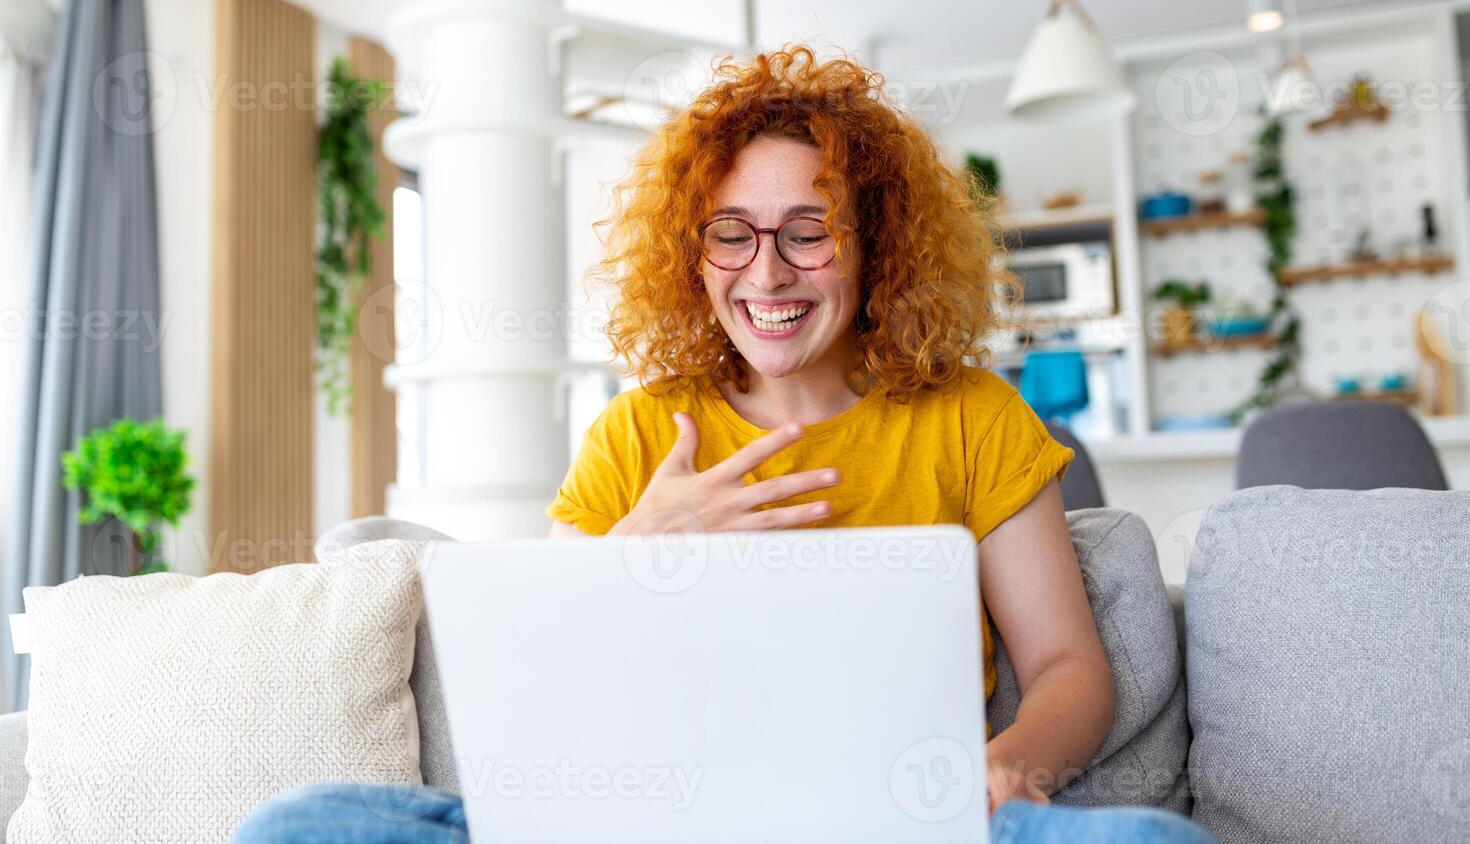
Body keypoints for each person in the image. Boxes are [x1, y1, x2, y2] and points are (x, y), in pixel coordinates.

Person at [235, 46, 1213, 844]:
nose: (767, 272)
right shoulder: (638, 430)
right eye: (732, 234)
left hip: (907, 814)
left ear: (878, 244)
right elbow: (548, 693)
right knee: (301, 826)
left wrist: (1013, 768)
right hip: (652, 815)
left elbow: (1067, 666)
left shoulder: (972, 415)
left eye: (809, 232)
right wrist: (637, 553)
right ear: (692, 252)